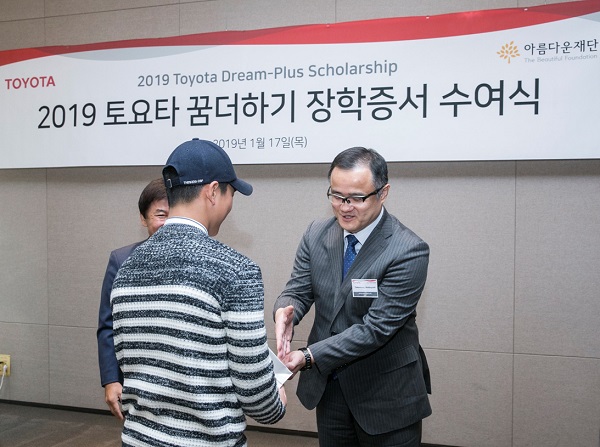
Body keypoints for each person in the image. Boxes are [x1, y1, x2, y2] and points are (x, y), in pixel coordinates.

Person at [111, 138, 286, 447]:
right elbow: (256, 392)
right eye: (232, 193)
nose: (231, 204)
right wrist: (277, 402)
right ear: (213, 191)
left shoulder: (126, 268)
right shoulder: (236, 269)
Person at [274, 146, 431, 447]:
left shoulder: (408, 249)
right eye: (336, 195)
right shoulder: (316, 234)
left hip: (386, 395)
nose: (345, 207)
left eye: (357, 198)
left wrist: (308, 357)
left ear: (383, 192)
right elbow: (298, 288)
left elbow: (376, 330)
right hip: (330, 389)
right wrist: (284, 310)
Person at [97, 178, 169, 420]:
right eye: (160, 215)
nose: (167, 223)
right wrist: (110, 380)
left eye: (174, 214)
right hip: (136, 384)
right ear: (143, 218)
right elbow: (108, 325)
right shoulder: (121, 260)